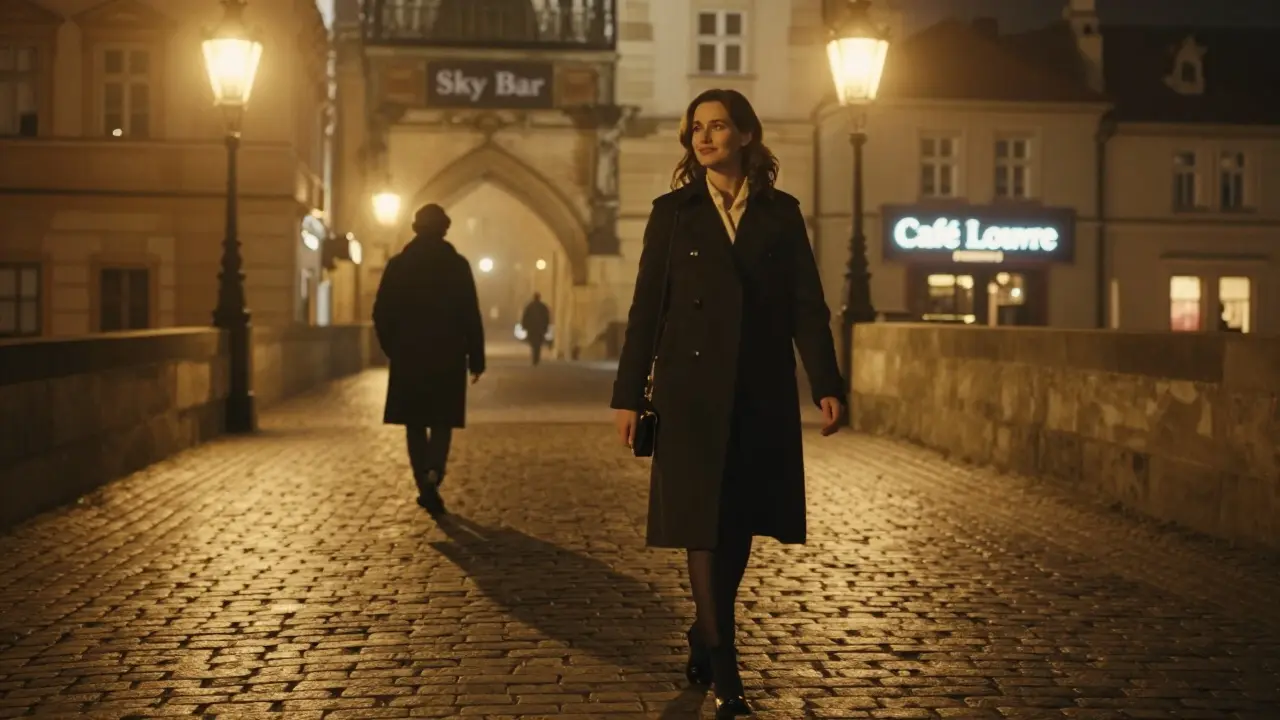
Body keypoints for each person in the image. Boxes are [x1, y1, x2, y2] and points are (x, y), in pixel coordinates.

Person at [610, 89, 844, 718]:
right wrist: (628, 396)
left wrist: (827, 382)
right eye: (696, 130)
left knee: (735, 524)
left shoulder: (782, 213)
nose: (705, 138)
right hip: (688, 397)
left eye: (717, 127)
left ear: (745, 135)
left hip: (758, 391)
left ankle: (703, 633)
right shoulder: (674, 213)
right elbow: (646, 312)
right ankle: (727, 673)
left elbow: (807, 307)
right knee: (703, 528)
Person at [373, 203, 485, 516]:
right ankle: (435, 469)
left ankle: (423, 481)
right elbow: (470, 314)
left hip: (410, 354)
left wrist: (393, 347)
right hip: (447, 355)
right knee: (441, 420)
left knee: (414, 422)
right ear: (444, 230)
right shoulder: (458, 265)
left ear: (416, 229)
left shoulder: (398, 265)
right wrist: (475, 358)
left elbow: (381, 312)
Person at [520, 292, 551, 366]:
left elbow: (525, 317)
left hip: (532, 328)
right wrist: (546, 327)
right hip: (539, 329)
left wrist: (524, 326)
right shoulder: (543, 307)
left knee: (533, 343)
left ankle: (534, 357)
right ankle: (536, 357)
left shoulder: (530, 306)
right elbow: (546, 318)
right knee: (538, 344)